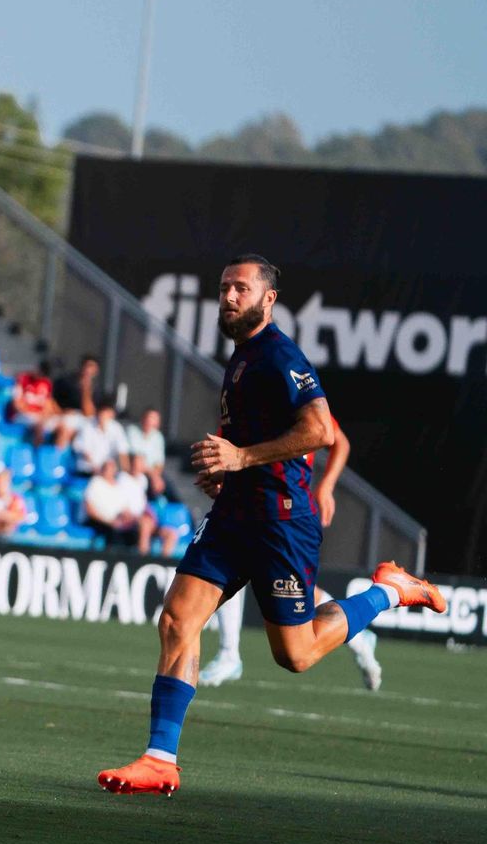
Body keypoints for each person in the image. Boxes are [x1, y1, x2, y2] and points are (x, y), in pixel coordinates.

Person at [98, 255, 446, 797]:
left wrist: (241, 458)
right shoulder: (243, 357)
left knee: (296, 654)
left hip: (281, 522)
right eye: (224, 288)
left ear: (269, 299)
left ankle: (389, 591)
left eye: (241, 288)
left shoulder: (280, 356)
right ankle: (161, 759)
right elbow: (254, 441)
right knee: (177, 619)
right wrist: (228, 469)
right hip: (234, 515)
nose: (229, 296)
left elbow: (321, 431)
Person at [198, 417, 383, 691]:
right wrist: (220, 480)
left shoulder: (295, 399)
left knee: (296, 597)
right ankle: (228, 653)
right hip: (251, 507)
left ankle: (365, 626)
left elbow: (339, 442)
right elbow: (230, 456)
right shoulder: (244, 403)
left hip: (288, 511)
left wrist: (326, 485)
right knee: (230, 567)